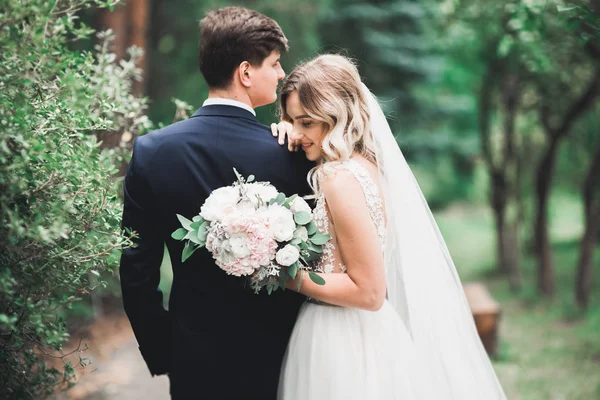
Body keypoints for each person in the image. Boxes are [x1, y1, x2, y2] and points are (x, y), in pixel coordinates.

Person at [275, 54, 508, 399]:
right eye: (291, 121)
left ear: (336, 116)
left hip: (340, 340)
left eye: (306, 122)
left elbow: (368, 291)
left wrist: (287, 277)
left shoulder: (338, 178)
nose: (297, 132)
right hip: (370, 332)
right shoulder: (366, 168)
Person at [119, 7, 313, 399]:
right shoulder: (292, 153)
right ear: (245, 72)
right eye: (275, 64)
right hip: (280, 353)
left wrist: (164, 351)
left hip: (193, 357)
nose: (280, 75)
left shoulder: (152, 152)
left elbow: (136, 272)